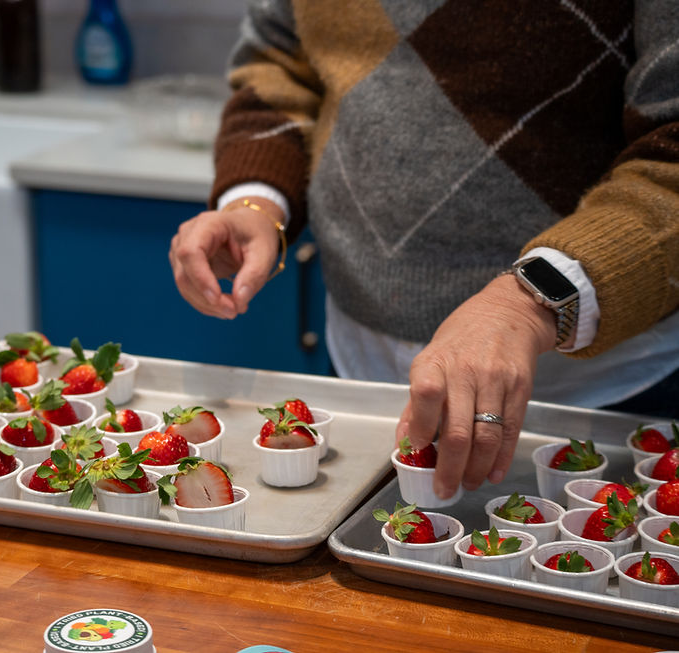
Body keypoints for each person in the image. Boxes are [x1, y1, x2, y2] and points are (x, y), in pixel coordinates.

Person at [169, 2, 679, 500]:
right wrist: (255, 202)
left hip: (600, 391)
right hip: (358, 363)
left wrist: (528, 304)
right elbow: (279, 64)